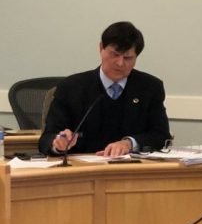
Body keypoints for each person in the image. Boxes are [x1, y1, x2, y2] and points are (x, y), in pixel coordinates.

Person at [39, 21, 171, 157]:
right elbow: (46, 139)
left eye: (128, 58)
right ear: (101, 48)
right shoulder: (71, 87)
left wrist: (129, 143)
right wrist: (58, 143)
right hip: (81, 171)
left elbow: (161, 136)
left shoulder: (149, 87)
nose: (120, 63)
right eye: (114, 54)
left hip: (130, 171)